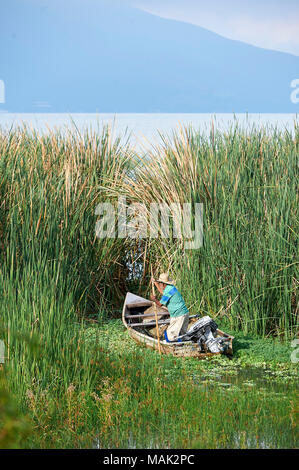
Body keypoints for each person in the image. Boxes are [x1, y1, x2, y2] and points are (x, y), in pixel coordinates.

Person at [150, 273, 189, 342]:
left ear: (163, 283)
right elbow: (163, 293)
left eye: (160, 283)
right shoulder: (171, 288)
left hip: (178, 315)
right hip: (184, 313)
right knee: (183, 334)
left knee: (171, 335)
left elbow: (160, 304)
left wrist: (154, 299)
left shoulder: (168, 290)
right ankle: (185, 344)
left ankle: (175, 348)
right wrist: (156, 283)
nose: (160, 285)